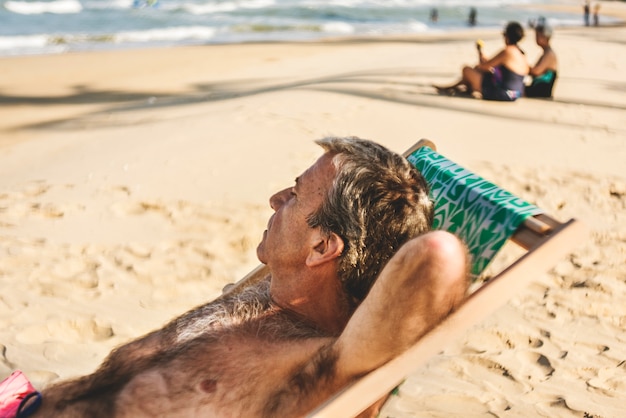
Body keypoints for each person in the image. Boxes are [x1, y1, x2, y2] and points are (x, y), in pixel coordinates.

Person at [27, 136, 469, 417]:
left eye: (294, 195)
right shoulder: (266, 295)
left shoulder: (321, 366)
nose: (275, 199)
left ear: (322, 247)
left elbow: (438, 255)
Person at [433, 21, 529, 101]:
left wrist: (480, 56)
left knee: (467, 69)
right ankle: (455, 87)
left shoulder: (507, 51)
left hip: (503, 93)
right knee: (476, 72)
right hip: (516, 94)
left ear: (507, 36)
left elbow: (484, 67)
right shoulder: (521, 54)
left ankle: (463, 89)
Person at [525, 22, 558, 98]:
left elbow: (536, 71)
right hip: (540, 88)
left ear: (545, 37)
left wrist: (522, 66)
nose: (536, 39)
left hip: (541, 91)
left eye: (538, 36)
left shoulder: (549, 54)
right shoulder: (546, 52)